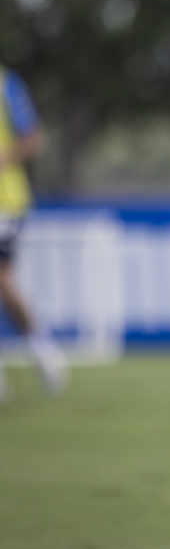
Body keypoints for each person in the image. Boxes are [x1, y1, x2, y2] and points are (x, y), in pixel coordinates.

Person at [0, 64, 66, 399]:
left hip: (4, 202)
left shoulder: (6, 85)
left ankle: (41, 348)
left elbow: (32, 138)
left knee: (3, 280)